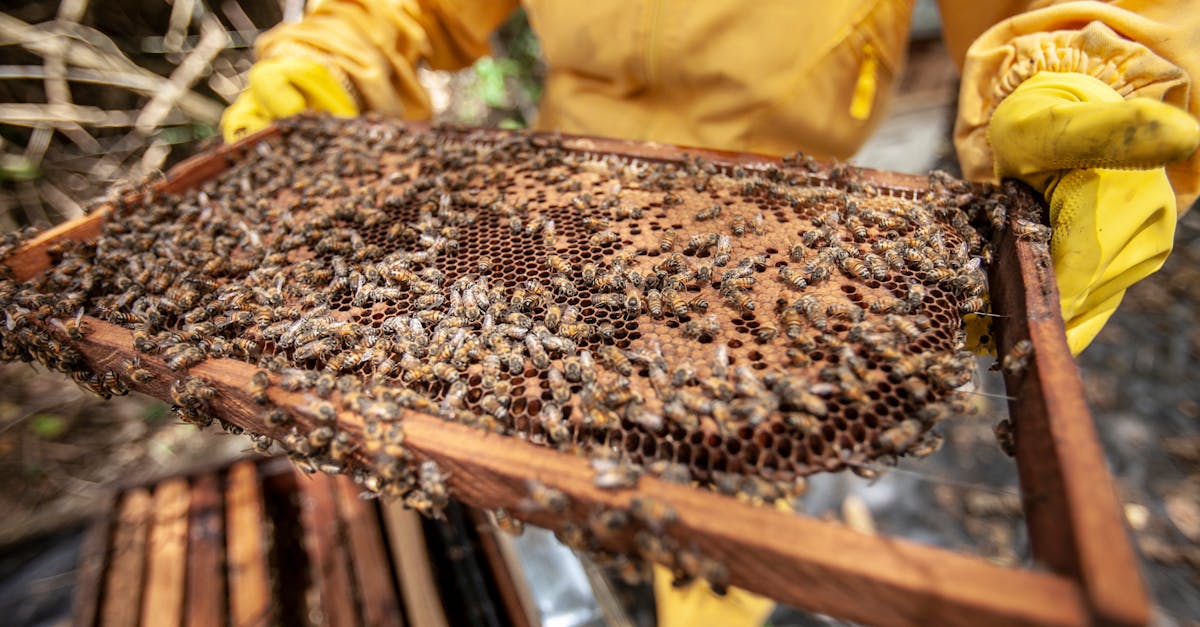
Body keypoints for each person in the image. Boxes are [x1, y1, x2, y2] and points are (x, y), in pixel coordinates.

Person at [221, 1, 1200, 624]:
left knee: (720, 489)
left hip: (778, 233)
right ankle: (575, 570)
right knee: (517, 437)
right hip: (558, 208)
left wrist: (1091, 64)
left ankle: (698, 590)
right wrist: (338, 54)